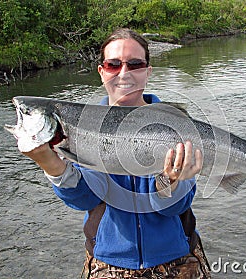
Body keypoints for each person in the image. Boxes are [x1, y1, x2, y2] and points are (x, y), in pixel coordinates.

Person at [20, 28, 211, 278]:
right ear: (101, 72)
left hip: (178, 259)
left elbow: (172, 208)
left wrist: (170, 182)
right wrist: (50, 164)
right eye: (113, 65)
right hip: (106, 263)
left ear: (147, 71)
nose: (124, 74)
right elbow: (86, 199)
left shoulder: (176, 127)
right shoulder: (83, 129)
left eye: (135, 64)